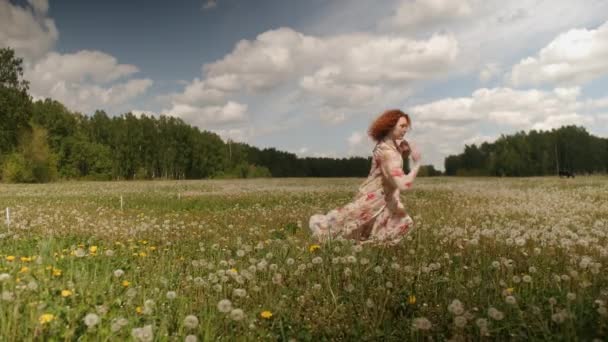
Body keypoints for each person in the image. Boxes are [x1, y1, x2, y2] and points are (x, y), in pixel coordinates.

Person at [309, 109, 422, 245]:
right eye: (402, 126)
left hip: (382, 198)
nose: (406, 130)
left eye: (406, 126)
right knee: (343, 227)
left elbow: (385, 170)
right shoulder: (388, 153)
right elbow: (403, 184)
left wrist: (404, 152)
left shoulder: (384, 145)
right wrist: (417, 164)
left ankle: (376, 256)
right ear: (390, 126)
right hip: (376, 200)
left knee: (388, 229)